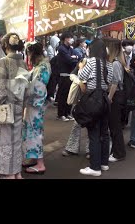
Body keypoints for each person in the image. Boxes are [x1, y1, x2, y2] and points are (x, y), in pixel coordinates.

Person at [0, 33, 29, 179]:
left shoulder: (4, 62)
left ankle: (9, 174)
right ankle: (17, 173)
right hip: (18, 105)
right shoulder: (21, 62)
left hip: (5, 106)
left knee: (5, 140)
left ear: (5, 45)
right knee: (16, 139)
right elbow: (26, 87)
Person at [77, 38, 113, 177]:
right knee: (104, 133)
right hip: (104, 99)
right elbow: (109, 81)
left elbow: (82, 76)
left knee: (94, 134)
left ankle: (95, 167)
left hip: (93, 99)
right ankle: (104, 163)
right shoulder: (108, 63)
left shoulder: (91, 61)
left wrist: (81, 68)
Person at [22, 42, 51, 175]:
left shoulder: (42, 67)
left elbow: (36, 88)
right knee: (32, 131)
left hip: (35, 104)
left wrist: (23, 88)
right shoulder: (43, 65)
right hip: (37, 104)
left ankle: (40, 163)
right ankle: (32, 157)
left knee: (34, 132)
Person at [104, 37, 127, 163]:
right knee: (114, 125)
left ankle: (119, 153)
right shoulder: (116, 61)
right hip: (116, 96)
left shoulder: (116, 63)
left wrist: (109, 98)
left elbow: (115, 83)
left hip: (115, 97)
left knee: (115, 126)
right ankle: (117, 151)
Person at [56, 32, 79, 121]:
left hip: (71, 75)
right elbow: (69, 60)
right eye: (70, 38)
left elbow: (78, 57)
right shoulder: (61, 49)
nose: (72, 40)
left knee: (70, 95)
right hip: (64, 75)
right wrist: (74, 58)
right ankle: (61, 114)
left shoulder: (70, 49)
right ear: (66, 39)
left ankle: (67, 113)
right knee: (63, 95)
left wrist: (74, 57)